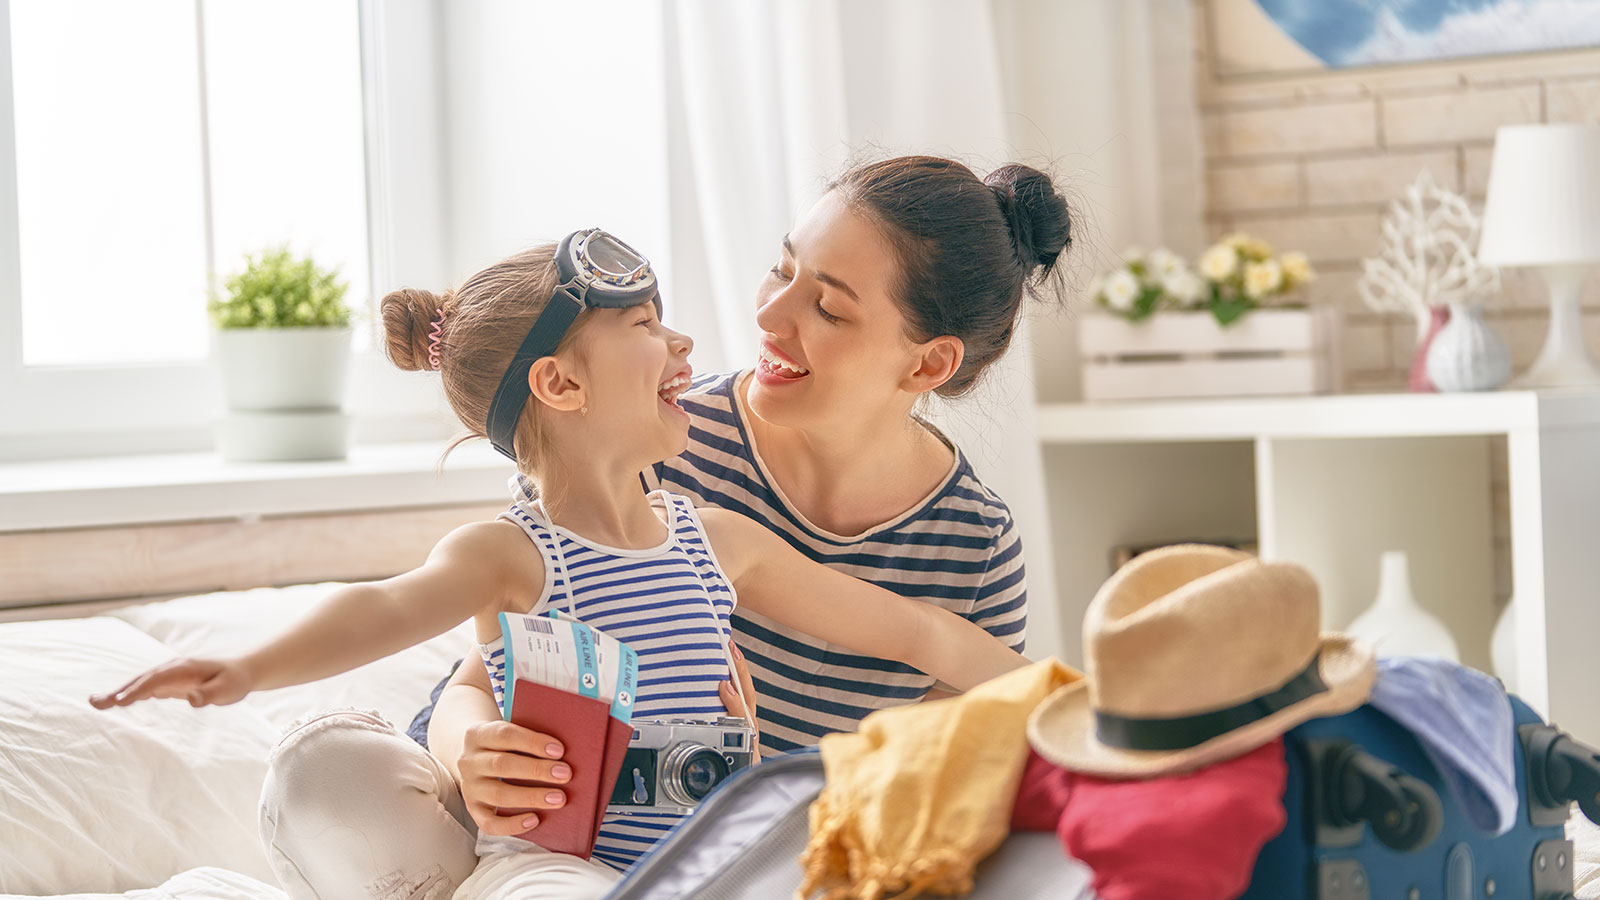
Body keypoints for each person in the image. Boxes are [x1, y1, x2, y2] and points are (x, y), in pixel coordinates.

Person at [90, 225, 1035, 899]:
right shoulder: (513, 553)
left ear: (928, 362)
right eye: (646, 329)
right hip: (554, 863)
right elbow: (384, 609)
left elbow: (917, 632)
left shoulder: (716, 540)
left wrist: (1083, 699)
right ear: (559, 382)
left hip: (704, 856)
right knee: (338, 775)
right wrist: (248, 669)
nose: (687, 344)